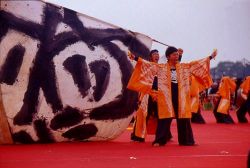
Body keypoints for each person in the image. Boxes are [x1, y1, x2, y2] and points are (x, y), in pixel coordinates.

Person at [127, 46, 217, 146]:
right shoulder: (161, 67)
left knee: (184, 117)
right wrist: (135, 58)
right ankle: (160, 141)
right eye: (174, 54)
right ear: (168, 56)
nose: (176, 56)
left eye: (177, 55)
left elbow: (196, 64)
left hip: (181, 95)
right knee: (165, 117)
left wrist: (210, 57)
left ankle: (187, 140)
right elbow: (148, 65)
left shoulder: (184, 67)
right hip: (166, 96)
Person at [130, 49, 172, 142]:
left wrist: (178, 55)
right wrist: (135, 57)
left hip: (159, 94)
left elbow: (173, 65)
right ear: (151, 56)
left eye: (158, 54)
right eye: (154, 54)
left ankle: (166, 135)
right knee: (143, 114)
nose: (157, 55)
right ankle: (138, 136)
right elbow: (141, 61)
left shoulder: (162, 67)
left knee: (162, 115)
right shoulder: (147, 65)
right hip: (148, 93)